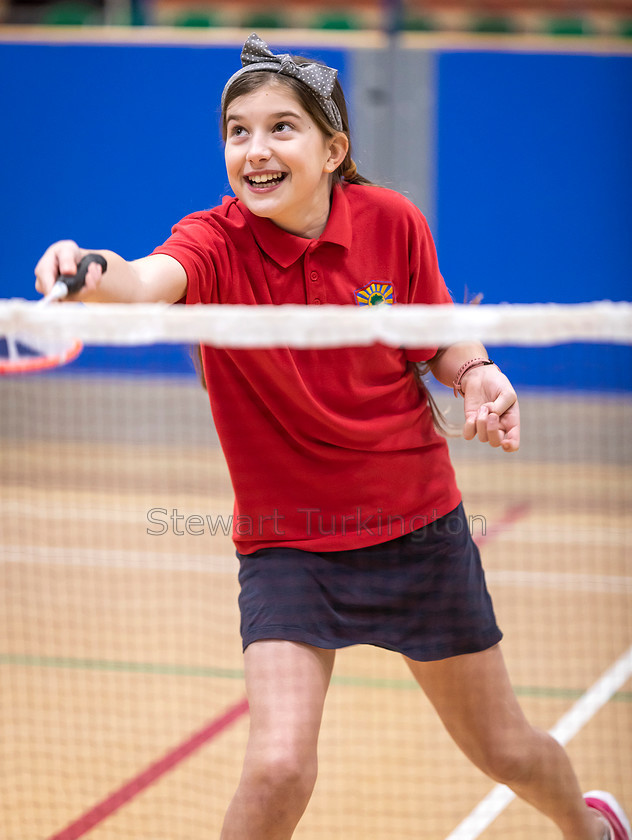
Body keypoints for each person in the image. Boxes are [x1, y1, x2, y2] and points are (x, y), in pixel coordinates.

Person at [35, 33, 630, 840]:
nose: (256, 149)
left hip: (417, 531)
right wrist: (86, 271)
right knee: (278, 764)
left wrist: (477, 372)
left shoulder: (391, 222)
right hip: (290, 544)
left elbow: (435, 331)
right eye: (237, 132)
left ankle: (590, 828)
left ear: (332, 148)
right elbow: (141, 276)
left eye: (282, 128)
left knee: (506, 750)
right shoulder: (213, 244)